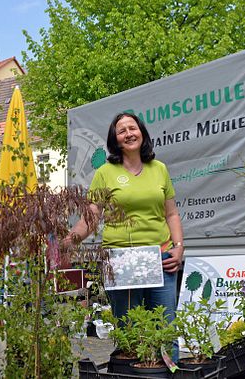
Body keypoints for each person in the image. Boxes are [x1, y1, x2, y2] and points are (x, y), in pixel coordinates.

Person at [64, 112, 184, 360]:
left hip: (160, 257)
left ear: (142, 132)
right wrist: (68, 241)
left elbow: (171, 214)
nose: (129, 133)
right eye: (122, 131)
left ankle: (170, 373)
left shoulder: (159, 169)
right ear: (115, 140)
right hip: (120, 261)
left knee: (166, 328)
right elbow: (91, 217)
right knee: (130, 331)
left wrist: (179, 247)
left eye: (133, 128)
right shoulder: (105, 173)